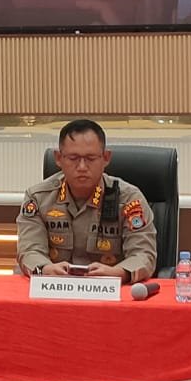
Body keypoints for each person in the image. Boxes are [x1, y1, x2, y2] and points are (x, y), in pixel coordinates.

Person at [16, 119, 158, 281]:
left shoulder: (129, 199)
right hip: (53, 287)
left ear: (106, 158)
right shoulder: (38, 198)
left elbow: (143, 254)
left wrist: (119, 273)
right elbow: (30, 251)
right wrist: (45, 269)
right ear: (58, 158)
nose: (82, 167)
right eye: (73, 158)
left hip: (110, 289)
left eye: (90, 158)